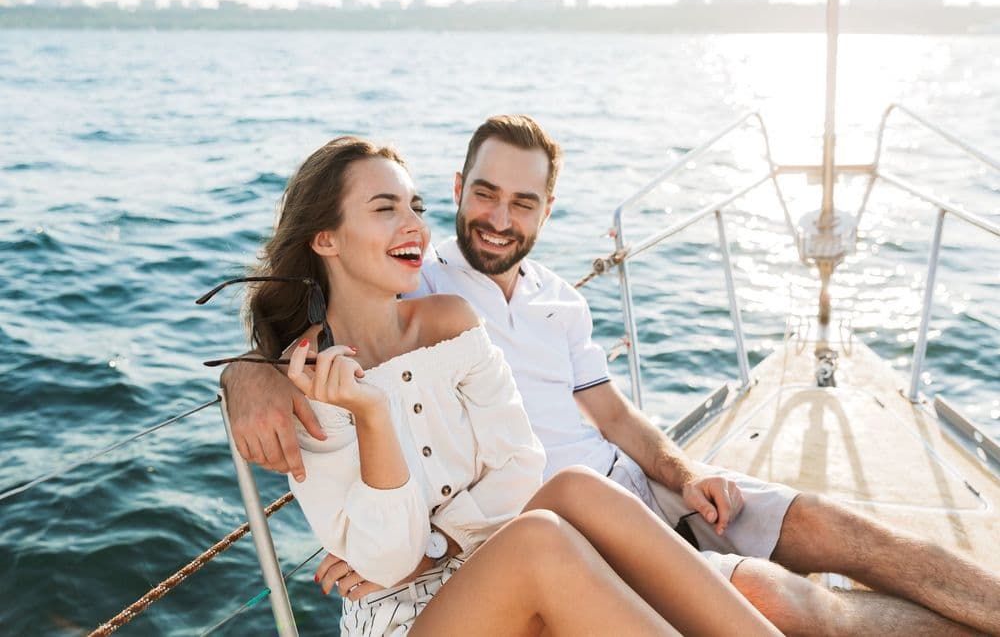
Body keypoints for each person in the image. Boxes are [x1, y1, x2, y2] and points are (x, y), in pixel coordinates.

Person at [222, 118, 1000, 637]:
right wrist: (250, 376)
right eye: (482, 193)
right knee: (782, 594)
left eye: (523, 202)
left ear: (548, 210)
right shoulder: (409, 290)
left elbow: (576, 435)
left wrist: (684, 470)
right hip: (463, 572)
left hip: (609, 495)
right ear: (463, 190)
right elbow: (286, 326)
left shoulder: (512, 306)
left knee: (827, 526)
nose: (497, 217)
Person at [219, 135, 780, 636]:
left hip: (482, 556)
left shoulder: (451, 321)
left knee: (576, 489)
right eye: (385, 209)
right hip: (400, 616)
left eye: (416, 206)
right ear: (326, 239)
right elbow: (387, 563)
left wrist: (442, 547)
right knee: (539, 541)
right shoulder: (306, 382)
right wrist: (370, 414)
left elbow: (520, 463)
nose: (415, 225)